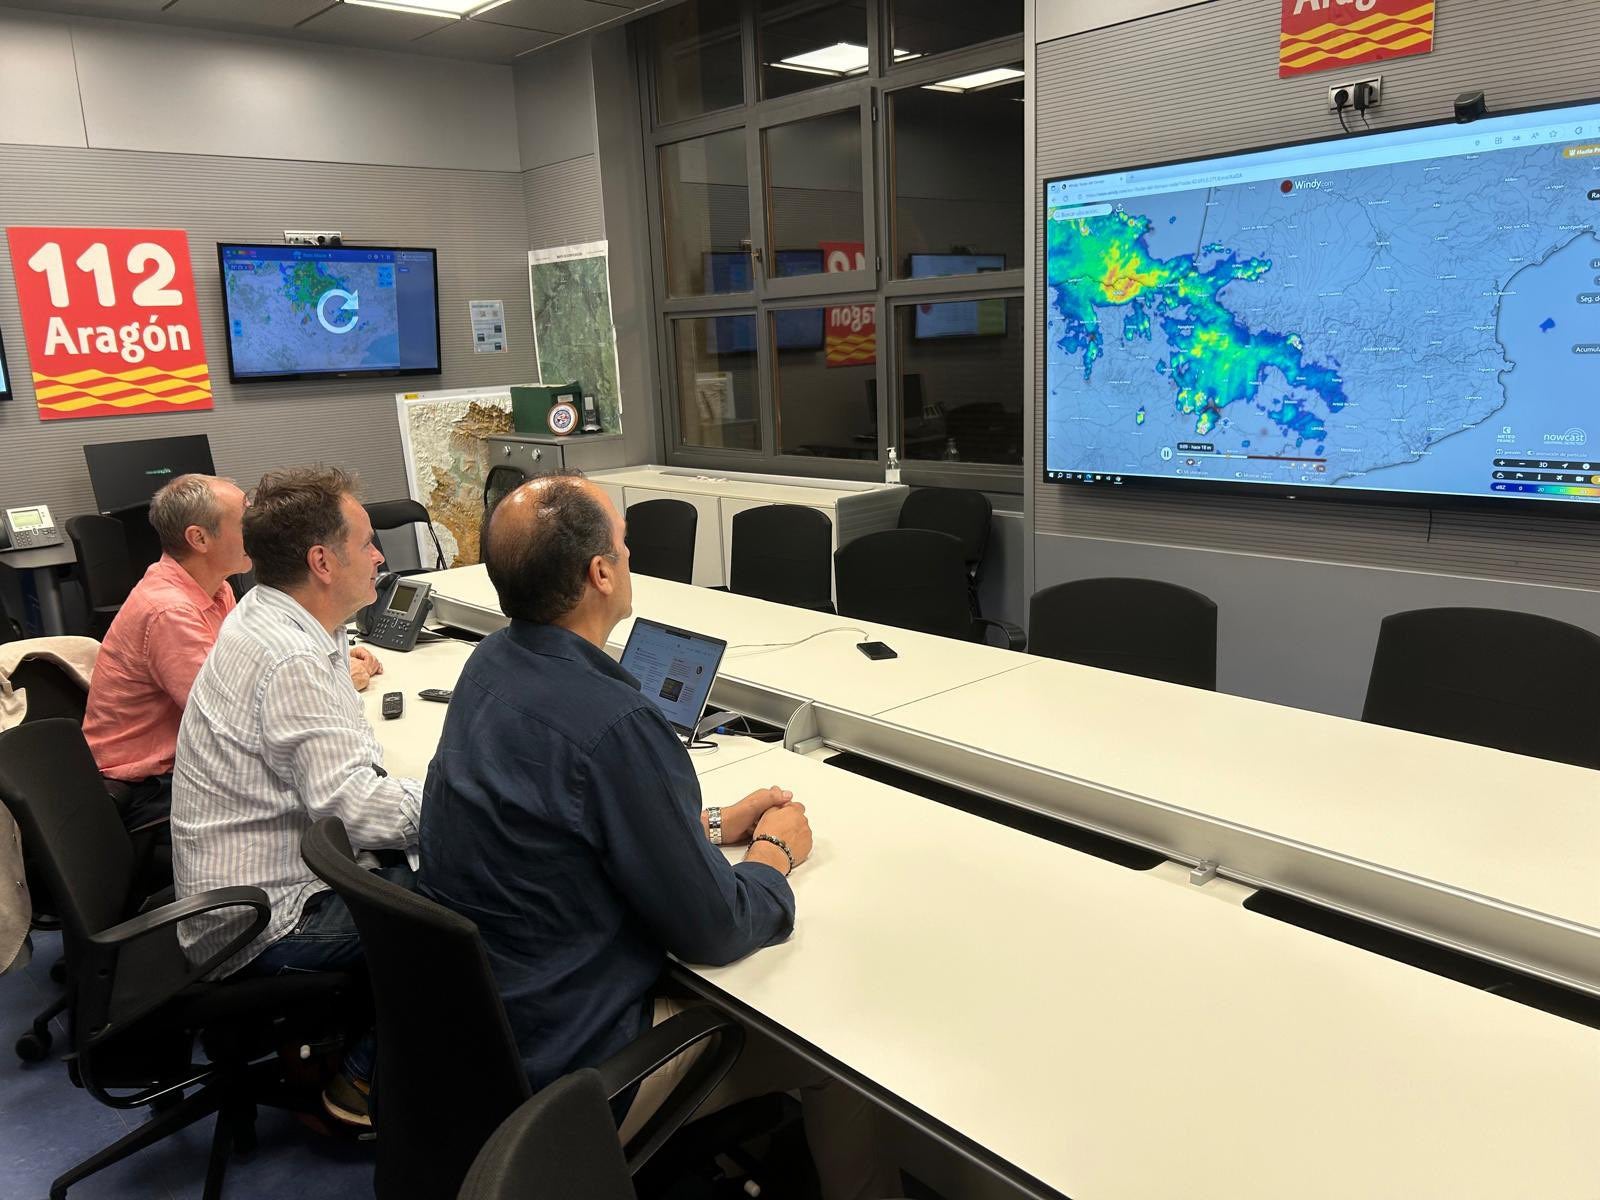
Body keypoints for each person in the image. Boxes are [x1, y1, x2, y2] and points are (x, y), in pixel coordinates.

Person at [419, 473, 897, 1200]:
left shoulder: (489, 665)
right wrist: (773, 856)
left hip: (488, 1044)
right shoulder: (615, 721)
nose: (632, 555)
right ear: (600, 573)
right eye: (624, 544)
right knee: (837, 1046)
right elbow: (716, 928)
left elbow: (557, 826)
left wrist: (701, 823)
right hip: (579, 1073)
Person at [170, 466, 417, 1129]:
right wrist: (462, 799)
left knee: (424, 868)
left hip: (241, 886)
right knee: (460, 912)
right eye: (366, 543)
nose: (380, 556)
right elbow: (361, 815)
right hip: (262, 919)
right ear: (321, 561)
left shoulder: (267, 613)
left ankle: (330, 1048)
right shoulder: (290, 659)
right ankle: (362, 1084)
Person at [84, 474, 384, 837]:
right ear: (199, 539)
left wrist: (330, 652)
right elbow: (237, 704)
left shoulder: (216, 588)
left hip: (182, 763)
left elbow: (249, 659)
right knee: (335, 813)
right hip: (147, 786)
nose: (258, 532)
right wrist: (329, 672)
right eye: (245, 522)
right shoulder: (168, 611)